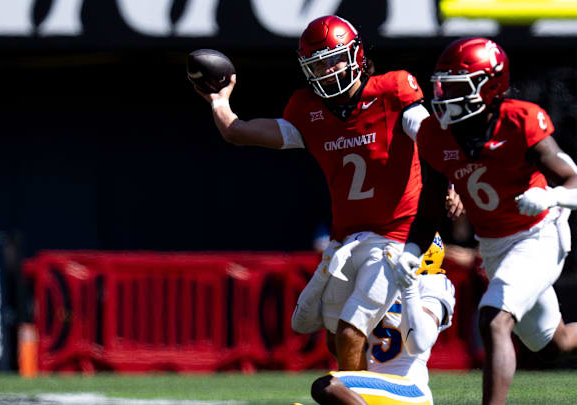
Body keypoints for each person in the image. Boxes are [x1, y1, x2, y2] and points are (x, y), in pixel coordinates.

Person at [192, 14, 456, 371]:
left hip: (397, 236)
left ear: (357, 56)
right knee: (334, 336)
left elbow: (429, 134)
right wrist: (218, 101)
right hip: (347, 241)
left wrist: (450, 178)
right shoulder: (308, 110)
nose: (328, 71)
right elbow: (239, 132)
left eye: (333, 59)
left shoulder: (392, 90)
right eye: (317, 65)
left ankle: (351, 392)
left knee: (351, 332)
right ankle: (361, 394)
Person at [390, 37, 577, 405]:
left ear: (489, 86)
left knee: (494, 318)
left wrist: (551, 195)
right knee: (554, 344)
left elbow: (573, 178)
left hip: (539, 233)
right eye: (442, 85)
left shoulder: (520, 119)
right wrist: (412, 249)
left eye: (456, 87)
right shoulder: (435, 134)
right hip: (494, 245)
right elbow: (430, 207)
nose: (443, 96)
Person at [309, 234, 455, 405]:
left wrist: (408, 285)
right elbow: (335, 341)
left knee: (327, 386)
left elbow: (418, 343)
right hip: (370, 389)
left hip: (409, 390)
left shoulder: (433, 283)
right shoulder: (368, 281)